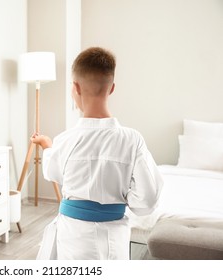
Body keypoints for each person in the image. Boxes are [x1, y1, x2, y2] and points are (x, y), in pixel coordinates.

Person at [31, 47, 163, 260]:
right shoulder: (132, 139)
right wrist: (121, 196)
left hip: (73, 238)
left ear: (75, 88)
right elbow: (148, 199)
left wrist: (47, 144)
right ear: (112, 88)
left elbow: (52, 171)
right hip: (115, 238)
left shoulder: (65, 140)